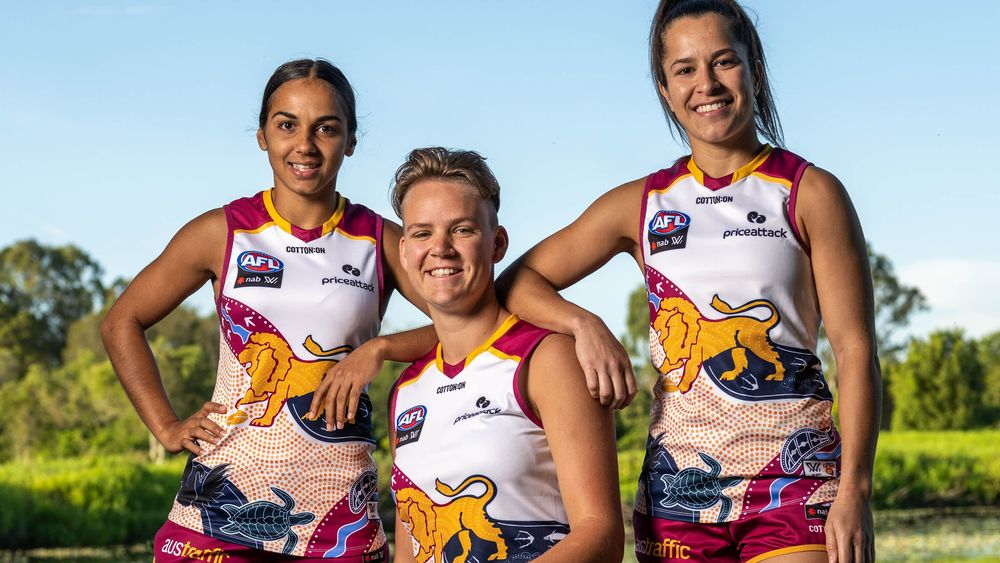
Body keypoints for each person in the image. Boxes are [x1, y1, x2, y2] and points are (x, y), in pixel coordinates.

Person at [497, 1, 880, 561]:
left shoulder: (810, 191)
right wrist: (585, 324)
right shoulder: (643, 201)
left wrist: (856, 491)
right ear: (664, 86)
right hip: (679, 494)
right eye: (685, 69)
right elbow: (517, 281)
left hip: (795, 484)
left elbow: (856, 350)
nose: (707, 84)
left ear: (755, 69)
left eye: (724, 62)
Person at [101, 59, 436, 562]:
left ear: (350, 140)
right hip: (216, 512)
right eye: (287, 125)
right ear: (262, 135)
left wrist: (381, 349)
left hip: (338, 516)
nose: (305, 144)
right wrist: (166, 426)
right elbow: (120, 322)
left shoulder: (380, 239)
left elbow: (473, 328)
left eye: (326, 128)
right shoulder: (223, 231)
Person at [386, 148, 624, 563]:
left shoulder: (547, 357)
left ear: (497, 244)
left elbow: (600, 534)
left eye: (461, 230)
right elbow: (411, 545)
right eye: (423, 234)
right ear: (405, 253)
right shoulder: (406, 389)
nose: (440, 248)